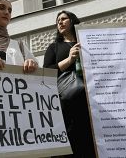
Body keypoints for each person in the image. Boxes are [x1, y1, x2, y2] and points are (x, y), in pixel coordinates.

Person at [43, 10, 96, 157]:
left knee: (92, 141)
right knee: (72, 139)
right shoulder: (54, 47)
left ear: (72, 21)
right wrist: (70, 60)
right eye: (58, 20)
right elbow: (47, 71)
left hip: (92, 100)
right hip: (67, 102)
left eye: (64, 19)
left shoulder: (87, 42)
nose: (59, 22)